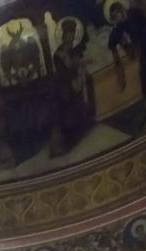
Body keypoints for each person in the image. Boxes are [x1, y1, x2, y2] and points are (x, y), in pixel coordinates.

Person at [108, 4, 146, 127]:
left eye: (117, 14)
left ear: (121, 10)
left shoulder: (134, 13)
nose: (117, 18)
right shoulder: (120, 25)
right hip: (143, 46)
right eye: (114, 17)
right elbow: (112, 41)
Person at [50, 19, 92, 155]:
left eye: (72, 35)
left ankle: (83, 126)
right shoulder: (58, 54)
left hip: (74, 81)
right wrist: (75, 69)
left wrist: (80, 67)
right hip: (64, 85)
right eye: (68, 35)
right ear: (63, 36)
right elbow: (62, 72)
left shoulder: (74, 50)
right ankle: (67, 139)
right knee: (67, 103)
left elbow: (78, 63)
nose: (70, 37)